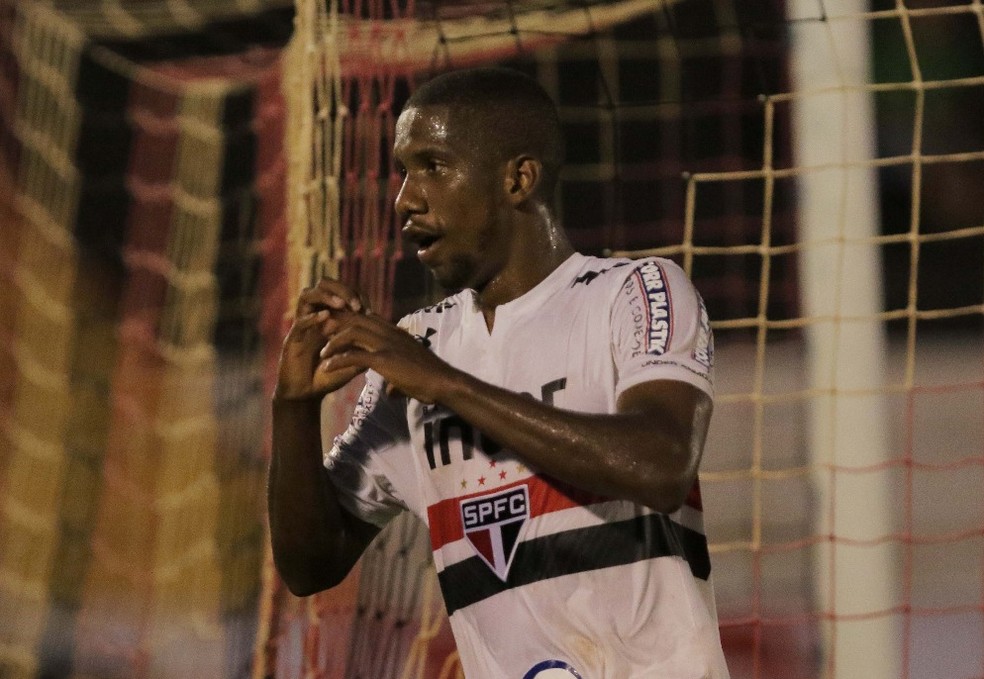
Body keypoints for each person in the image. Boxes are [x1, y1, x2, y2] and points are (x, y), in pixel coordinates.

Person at [268, 66, 729, 679]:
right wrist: (292, 409)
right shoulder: (419, 346)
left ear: (518, 179)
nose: (406, 198)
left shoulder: (633, 293)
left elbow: (661, 464)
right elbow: (310, 565)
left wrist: (447, 386)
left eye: (433, 165)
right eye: (405, 171)